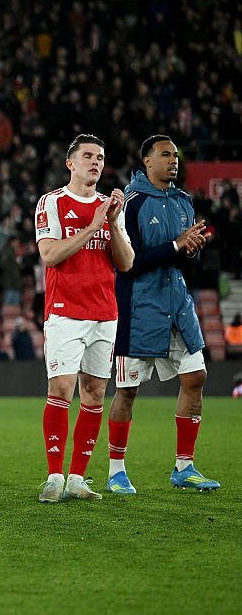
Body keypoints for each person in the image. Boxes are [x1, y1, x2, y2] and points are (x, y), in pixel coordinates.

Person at [109, 135, 220, 493]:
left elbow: (184, 257)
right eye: (165, 154)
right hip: (139, 308)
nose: (173, 160)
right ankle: (116, 470)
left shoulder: (185, 201)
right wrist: (176, 245)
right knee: (127, 391)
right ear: (146, 162)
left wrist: (192, 248)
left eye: (175, 155)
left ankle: (184, 467)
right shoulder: (132, 203)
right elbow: (127, 263)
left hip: (178, 305)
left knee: (196, 377)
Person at [34, 133, 134, 503]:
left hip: (105, 313)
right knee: (60, 389)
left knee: (94, 393)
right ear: (70, 163)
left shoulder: (111, 208)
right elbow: (50, 255)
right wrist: (93, 225)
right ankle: (54, 476)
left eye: (101, 157)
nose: (95, 162)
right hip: (65, 313)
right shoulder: (53, 203)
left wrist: (113, 221)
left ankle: (77, 477)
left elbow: (126, 263)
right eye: (88, 156)